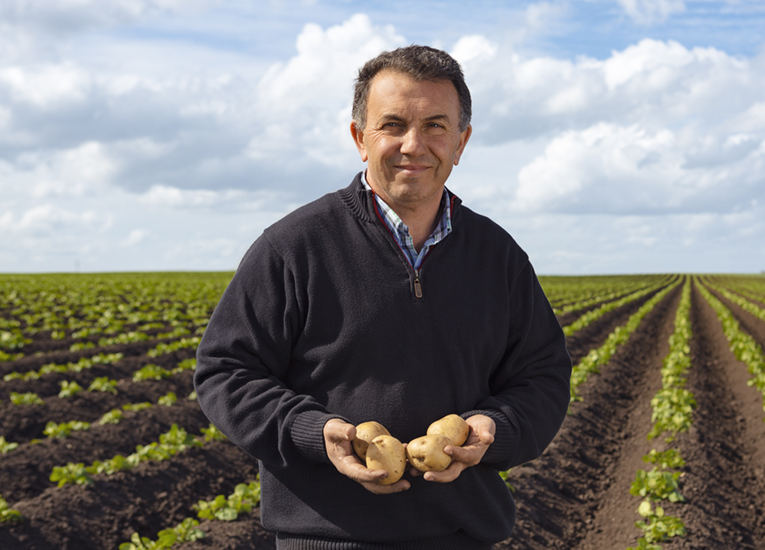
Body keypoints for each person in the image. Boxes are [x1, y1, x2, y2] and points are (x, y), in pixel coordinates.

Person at [194, 45, 572, 550]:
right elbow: (225, 371)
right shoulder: (293, 246)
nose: (414, 145)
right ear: (360, 138)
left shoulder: (497, 256)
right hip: (326, 538)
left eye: (436, 126)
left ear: (461, 143)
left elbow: (542, 376)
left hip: (461, 533)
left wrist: (492, 428)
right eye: (393, 124)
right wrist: (314, 431)